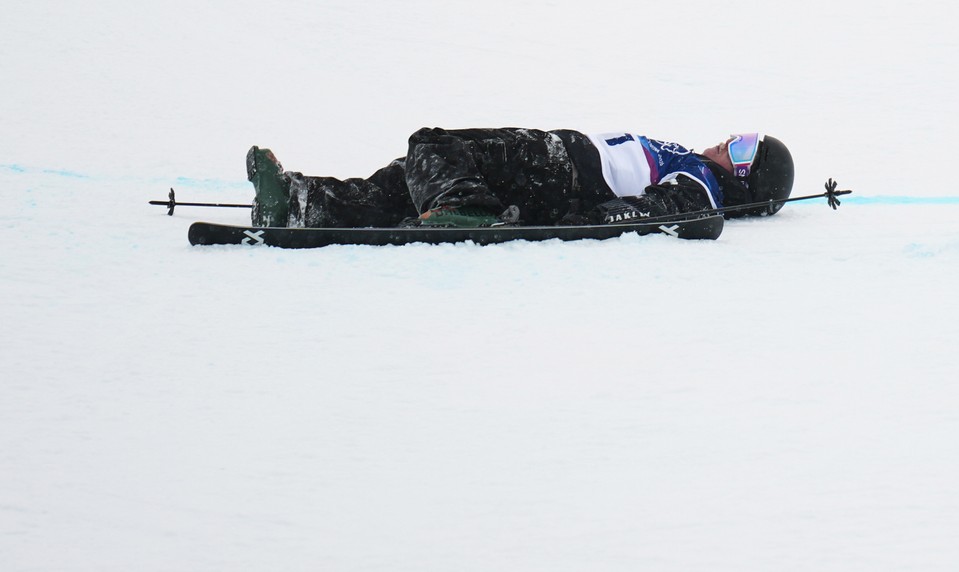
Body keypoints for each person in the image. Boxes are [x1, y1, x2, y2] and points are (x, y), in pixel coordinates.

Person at [246, 127, 795, 228]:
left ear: (748, 178)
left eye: (742, 147)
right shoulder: (700, 166)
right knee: (413, 175)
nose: (727, 139)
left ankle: (462, 208)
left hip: (564, 167)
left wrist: (593, 219)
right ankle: (302, 202)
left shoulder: (704, 186)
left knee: (437, 145)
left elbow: (667, 211)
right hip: (560, 170)